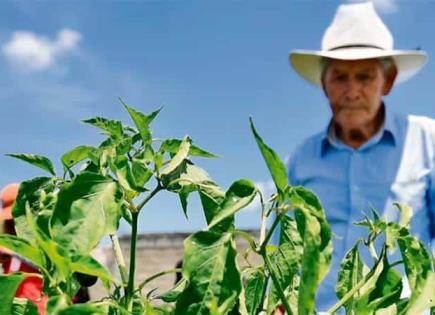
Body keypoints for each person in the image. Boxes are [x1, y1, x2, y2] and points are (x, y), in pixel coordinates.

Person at [283, 1, 433, 311]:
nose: (352, 91)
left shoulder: (427, 140)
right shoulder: (302, 158)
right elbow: (288, 247)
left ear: (387, 82)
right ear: (324, 84)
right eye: (339, 77)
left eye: (364, 77)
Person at [0, 183, 48, 314]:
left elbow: (47, 267)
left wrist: (14, 252)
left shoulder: (41, 237)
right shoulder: (7, 243)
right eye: (10, 222)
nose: (14, 226)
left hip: (43, 307)